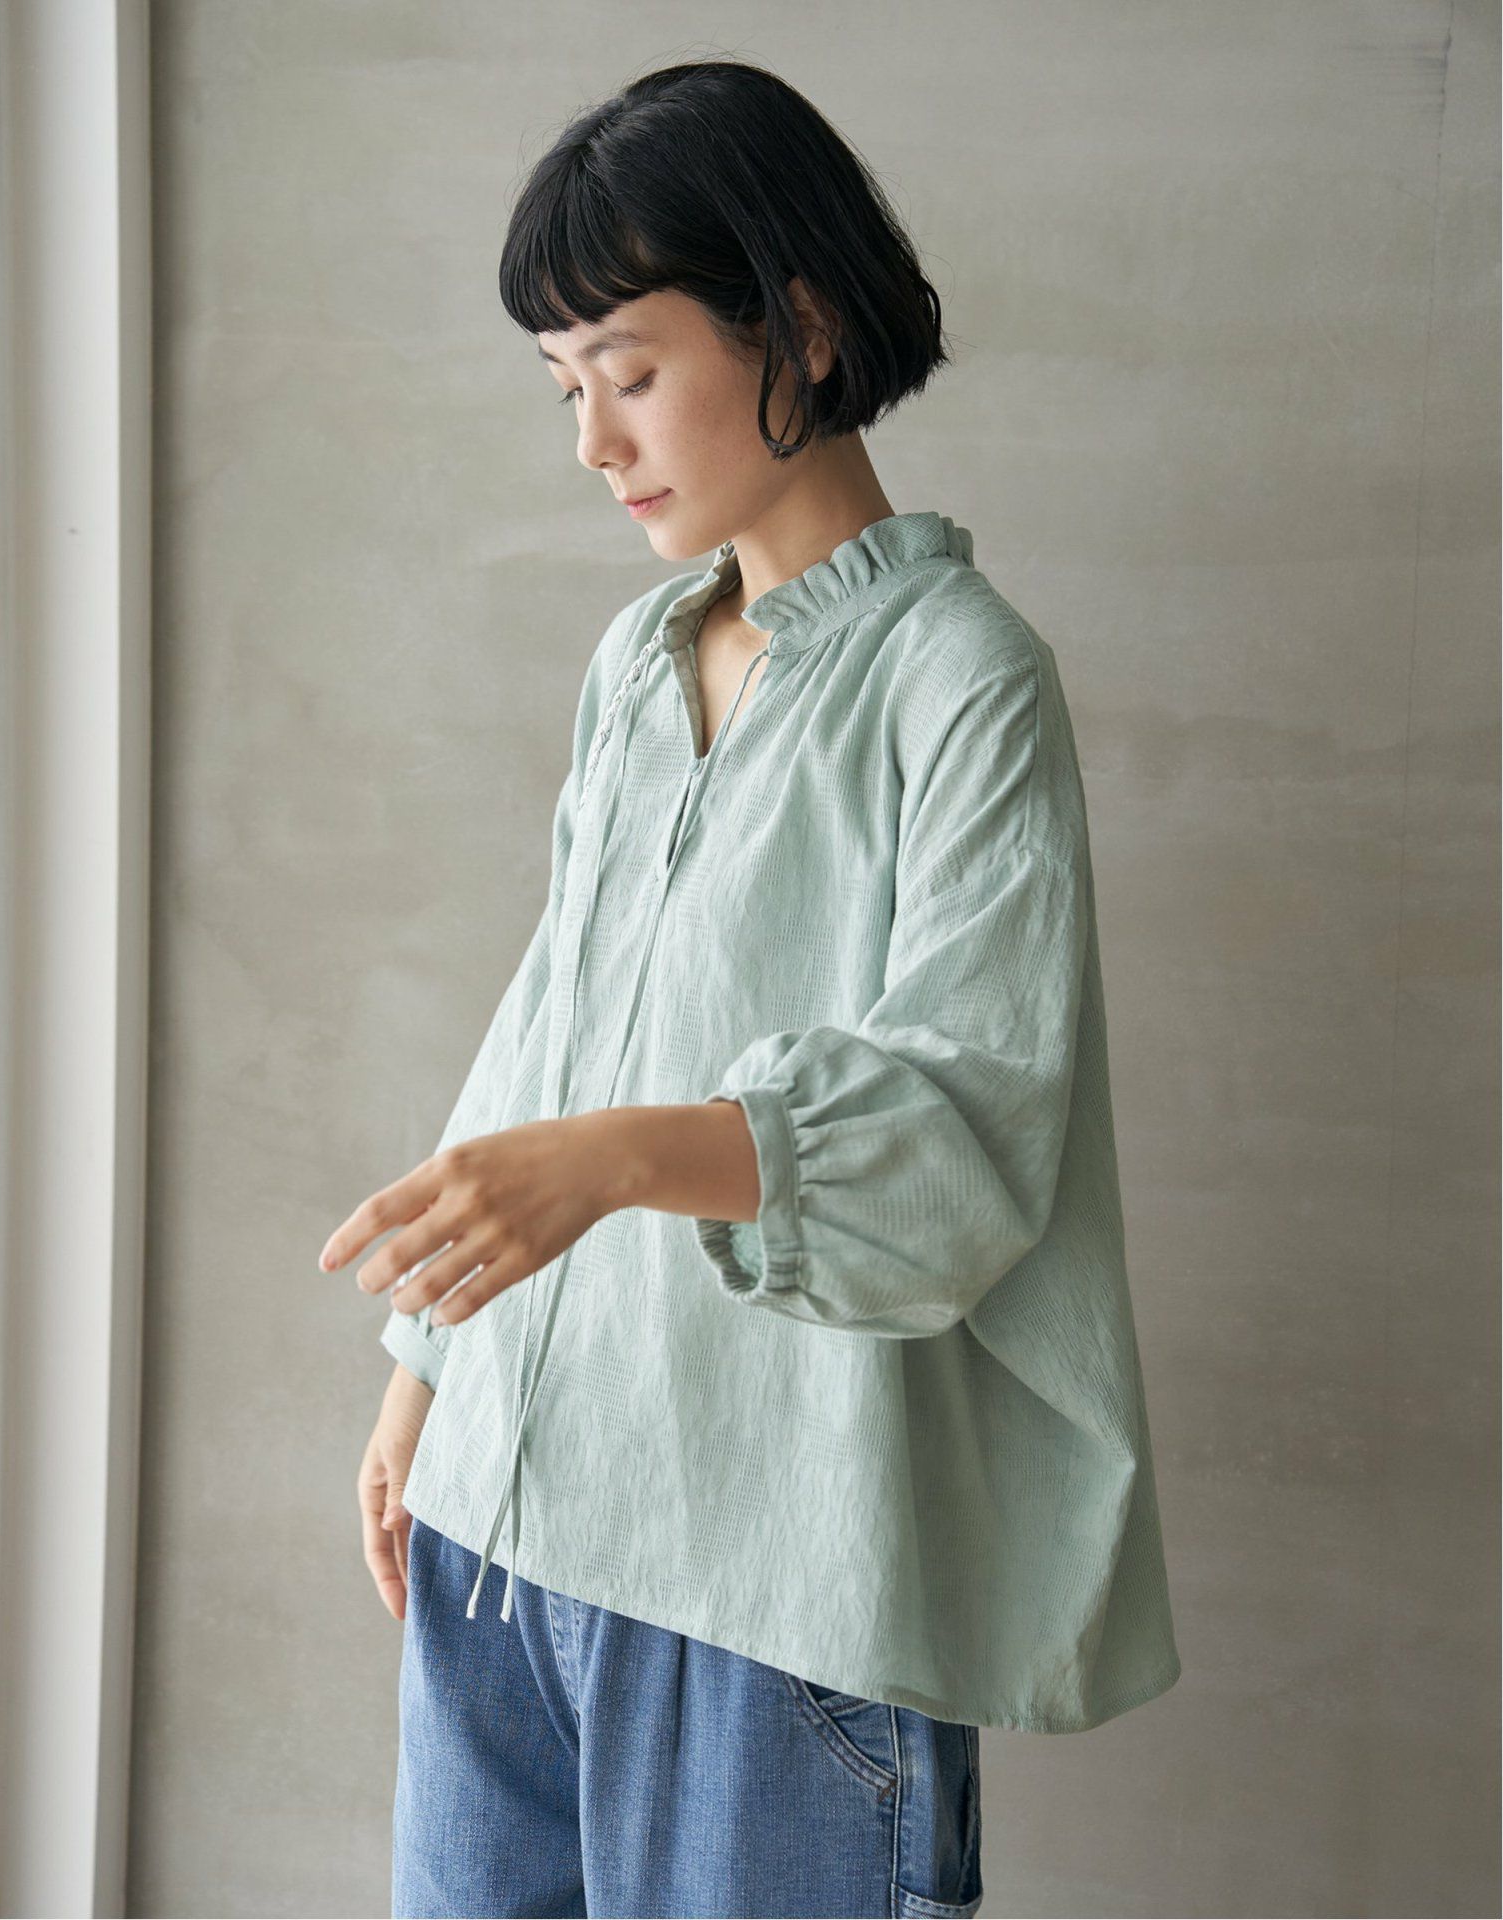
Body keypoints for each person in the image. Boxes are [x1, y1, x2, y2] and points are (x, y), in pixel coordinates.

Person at [319, 56, 1180, 1920]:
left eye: (628, 371)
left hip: (774, 1592)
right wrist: (426, 1370)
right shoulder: (639, 663)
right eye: (563, 386)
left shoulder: (964, 680)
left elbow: (965, 1134)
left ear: (797, 325)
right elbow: (553, 1012)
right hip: (500, 1536)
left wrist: (626, 1160)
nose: (592, 441)